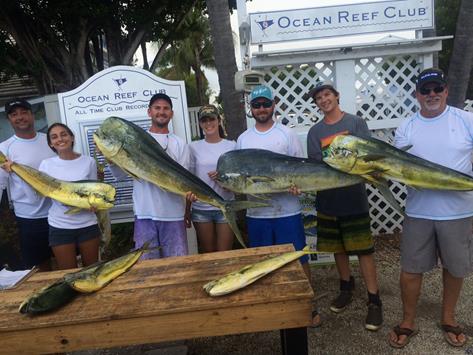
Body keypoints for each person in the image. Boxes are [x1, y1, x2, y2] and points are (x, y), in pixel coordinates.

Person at [389, 68, 473, 348]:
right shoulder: (406, 127)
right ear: (417, 95)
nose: (432, 95)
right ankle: (408, 320)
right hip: (419, 211)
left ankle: (448, 317)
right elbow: (398, 168)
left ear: (446, 91)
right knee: (411, 270)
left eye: (437, 89)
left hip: (458, 212)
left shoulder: (466, 120)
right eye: (426, 90)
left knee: (455, 268)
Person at [237, 85, 320, 326]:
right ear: (250, 109)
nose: (261, 109)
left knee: (298, 260)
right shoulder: (243, 139)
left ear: (274, 105)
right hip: (256, 214)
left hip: (288, 212)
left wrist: (297, 186)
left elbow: (299, 170)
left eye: (265, 104)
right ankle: (271, 307)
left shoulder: (287, 134)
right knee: (263, 263)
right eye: (256, 105)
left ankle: (307, 306)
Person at [306, 81, 383, 331]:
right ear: (316, 104)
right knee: (338, 249)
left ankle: (374, 300)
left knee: (363, 250)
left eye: (327, 94)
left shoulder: (355, 123)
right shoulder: (314, 133)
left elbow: (369, 154)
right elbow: (317, 166)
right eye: (318, 98)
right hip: (328, 200)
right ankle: (346, 287)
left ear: (336, 96)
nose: (323, 100)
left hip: (354, 199)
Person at [109, 93, 190, 259]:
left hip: (174, 215)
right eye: (157, 108)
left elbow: (185, 181)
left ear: (171, 114)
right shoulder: (135, 140)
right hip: (144, 214)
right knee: (147, 269)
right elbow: (119, 175)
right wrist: (110, 159)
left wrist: (187, 212)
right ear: (149, 112)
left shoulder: (180, 143)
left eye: (166, 108)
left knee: (178, 267)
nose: (161, 112)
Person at [0, 98, 55, 271]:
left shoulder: (50, 140)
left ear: (32, 115)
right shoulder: (4, 147)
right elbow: (1, 183)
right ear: (9, 119)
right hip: (29, 218)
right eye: (14, 114)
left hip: (60, 212)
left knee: (67, 262)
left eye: (24, 112)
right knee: (40, 267)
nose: (20, 117)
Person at [38, 123, 100, 269]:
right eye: (54, 137)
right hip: (60, 226)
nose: (60, 139)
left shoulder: (89, 162)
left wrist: (94, 204)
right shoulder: (46, 165)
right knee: (68, 274)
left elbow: (94, 191)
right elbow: (42, 192)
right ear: (50, 144)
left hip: (88, 224)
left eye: (64, 134)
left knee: (92, 271)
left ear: (72, 137)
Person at [185, 105, 236, 252]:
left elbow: (238, 179)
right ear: (200, 124)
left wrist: (224, 179)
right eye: (204, 120)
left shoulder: (232, 146)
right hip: (201, 209)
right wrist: (187, 210)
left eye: (212, 119)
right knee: (209, 254)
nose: (208, 124)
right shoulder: (193, 147)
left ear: (218, 121)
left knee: (224, 254)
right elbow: (189, 179)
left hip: (225, 206)